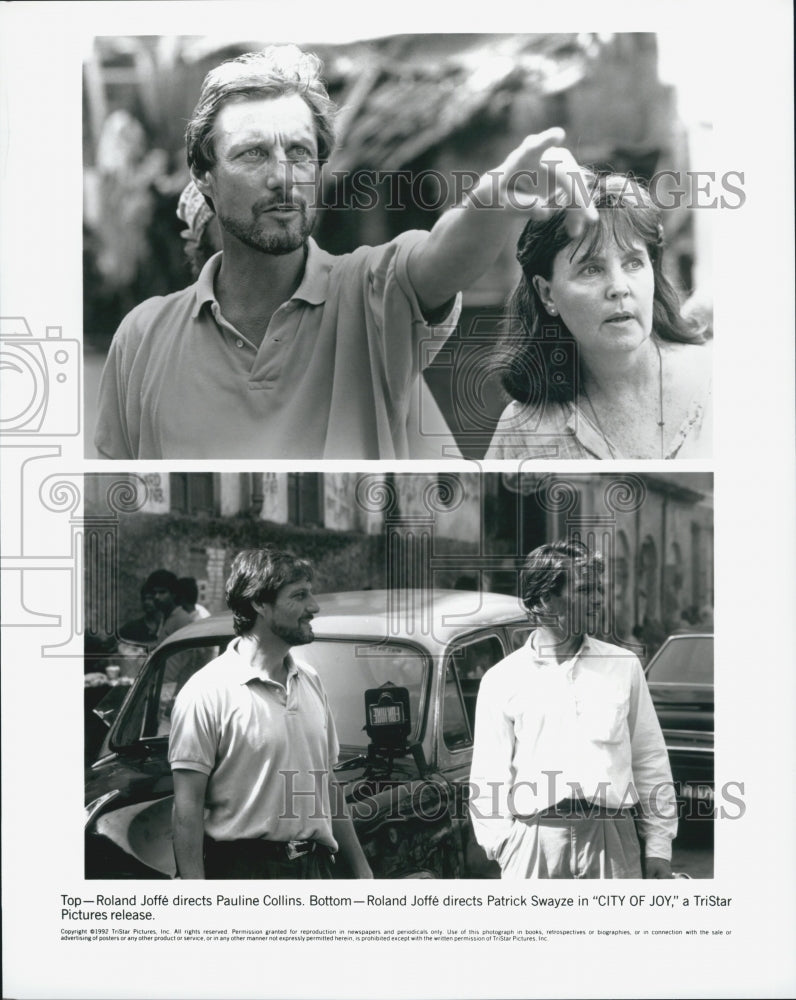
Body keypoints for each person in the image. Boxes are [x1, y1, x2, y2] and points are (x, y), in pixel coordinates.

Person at [94, 43, 597, 460]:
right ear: (204, 177)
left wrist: (492, 202)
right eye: (252, 154)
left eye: (299, 152)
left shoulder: (370, 297)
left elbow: (442, 258)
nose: (282, 177)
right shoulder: (142, 337)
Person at [469, 539, 677, 879]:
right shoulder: (502, 679)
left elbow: (650, 760)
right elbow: (488, 775)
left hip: (613, 841)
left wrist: (658, 848)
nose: (597, 599)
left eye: (599, 589)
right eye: (584, 589)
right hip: (534, 843)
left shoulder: (623, 666)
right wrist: (505, 846)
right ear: (543, 599)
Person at [168, 547, 373, 879]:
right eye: (299, 595)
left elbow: (327, 784)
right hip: (245, 874)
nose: (314, 607)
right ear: (259, 603)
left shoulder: (310, 680)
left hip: (316, 869)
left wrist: (362, 872)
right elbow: (187, 809)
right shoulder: (206, 691)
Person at [486, 172, 712, 459]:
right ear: (547, 293)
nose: (619, 288)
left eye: (633, 263)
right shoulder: (524, 431)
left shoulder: (716, 377)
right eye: (591, 269)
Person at [143, 569, 195, 640]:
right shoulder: (163, 618)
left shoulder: (182, 621)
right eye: (154, 593)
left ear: (173, 594)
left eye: (162, 592)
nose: (156, 597)